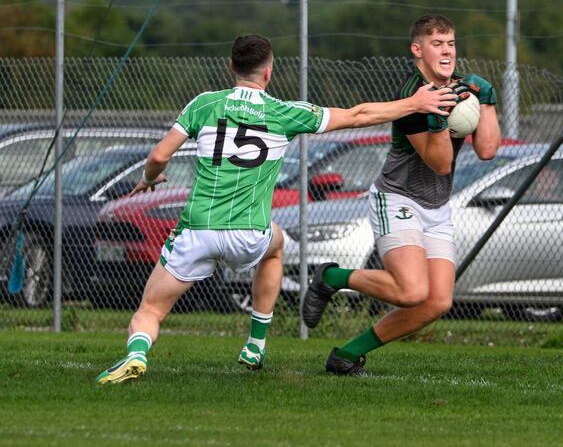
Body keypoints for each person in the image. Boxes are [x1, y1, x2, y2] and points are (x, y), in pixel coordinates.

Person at [95, 34, 461, 385]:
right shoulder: (285, 112)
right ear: (269, 72)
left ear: (230, 67)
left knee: (152, 309)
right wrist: (415, 103)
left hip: (197, 231)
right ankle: (256, 344)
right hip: (251, 232)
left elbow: (159, 155)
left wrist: (150, 177)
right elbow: (358, 115)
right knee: (276, 247)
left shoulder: (204, 103)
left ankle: (138, 355)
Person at [302, 14, 502, 376]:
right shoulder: (414, 96)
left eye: (451, 43)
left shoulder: (461, 88)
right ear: (417, 50)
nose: (446, 51)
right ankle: (331, 278)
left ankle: (345, 357)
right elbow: (440, 162)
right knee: (411, 291)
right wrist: (440, 118)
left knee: (437, 301)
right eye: (437, 43)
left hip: (437, 205)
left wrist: (486, 101)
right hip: (397, 199)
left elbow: (487, 151)